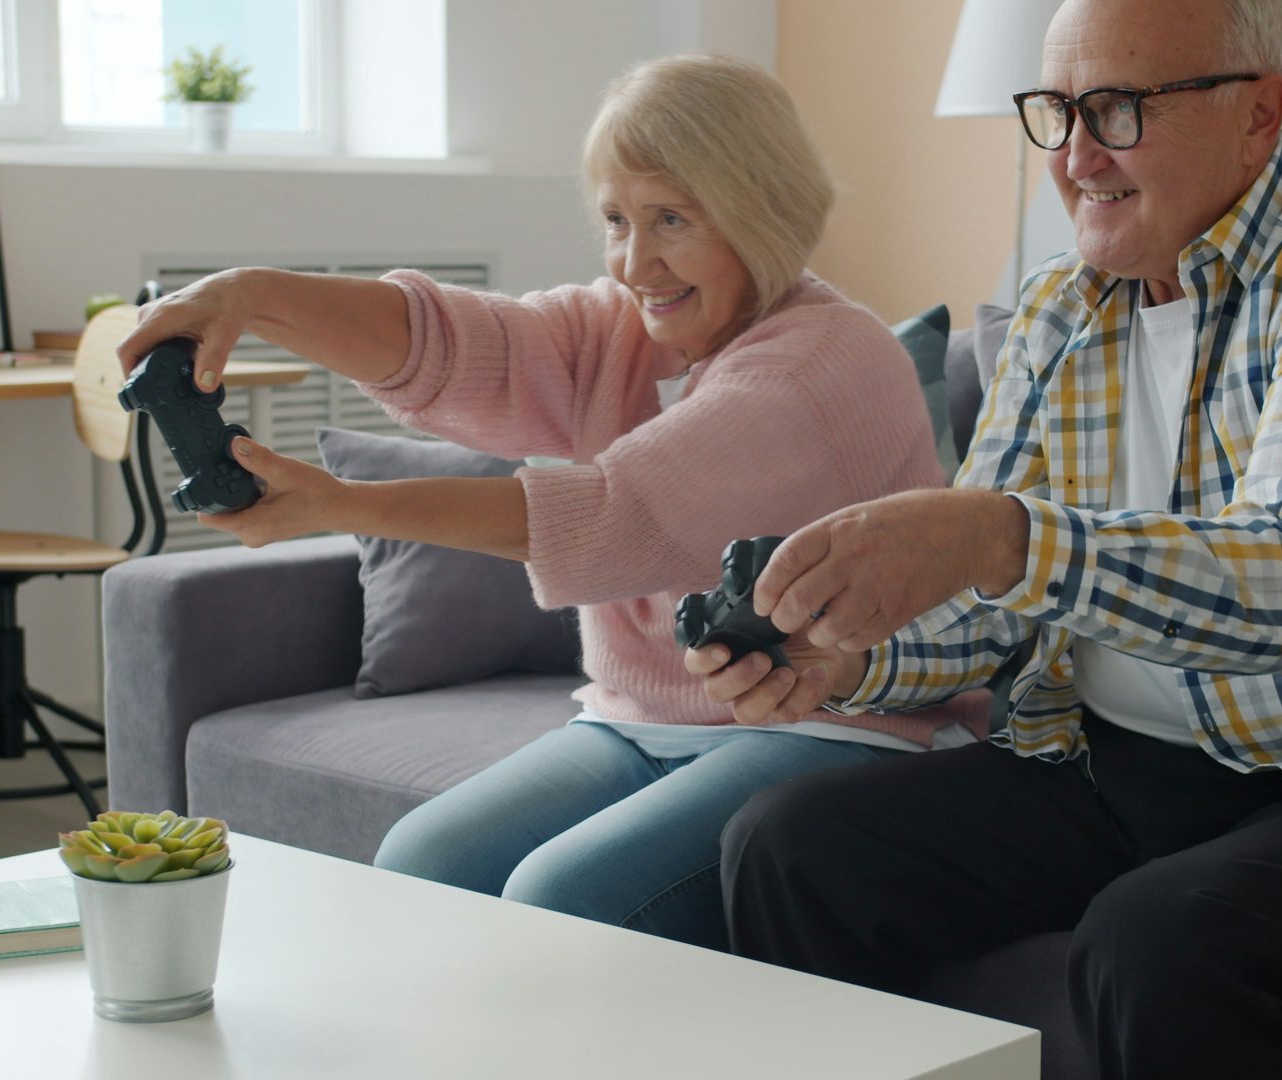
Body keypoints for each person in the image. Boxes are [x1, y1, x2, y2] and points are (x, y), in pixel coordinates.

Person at [684, 1, 1282, 1075]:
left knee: (1162, 939)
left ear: (1259, 112)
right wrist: (851, 658)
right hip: (1116, 775)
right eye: (1059, 110)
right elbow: (986, 603)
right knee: (791, 847)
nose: (1075, 156)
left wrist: (1002, 536)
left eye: (1115, 110)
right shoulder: (1063, 306)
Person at [116, 54, 985, 951]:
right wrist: (251, 296)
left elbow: (610, 511)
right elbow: (457, 342)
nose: (635, 261)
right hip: (638, 722)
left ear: (760, 210)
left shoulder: (827, 361)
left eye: (672, 220)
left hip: (840, 725)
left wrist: (342, 503)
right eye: (616, 220)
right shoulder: (624, 326)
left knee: (559, 899)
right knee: (421, 863)